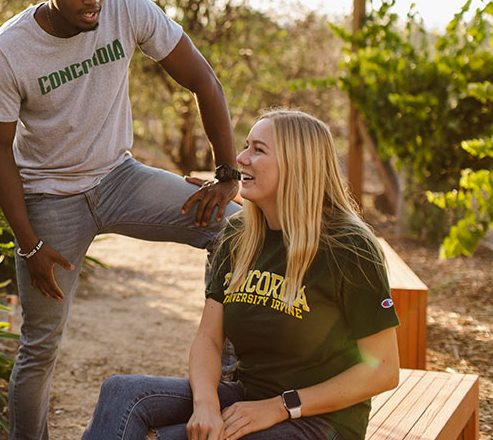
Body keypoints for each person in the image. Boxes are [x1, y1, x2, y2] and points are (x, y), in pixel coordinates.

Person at [0, 0, 242, 439]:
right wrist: (29, 246)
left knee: (235, 227)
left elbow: (203, 80)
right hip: (49, 200)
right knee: (40, 347)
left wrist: (227, 173)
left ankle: (234, 380)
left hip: (120, 178)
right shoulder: (10, 49)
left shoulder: (126, 8)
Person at [83, 109, 400, 440]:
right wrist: (205, 404)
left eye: (258, 150)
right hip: (246, 398)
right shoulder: (239, 234)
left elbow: (383, 370)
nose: (240, 157)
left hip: (319, 421)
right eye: (246, 145)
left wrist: (280, 406)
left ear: (297, 165)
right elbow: (209, 337)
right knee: (121, 392)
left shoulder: (348, 246)